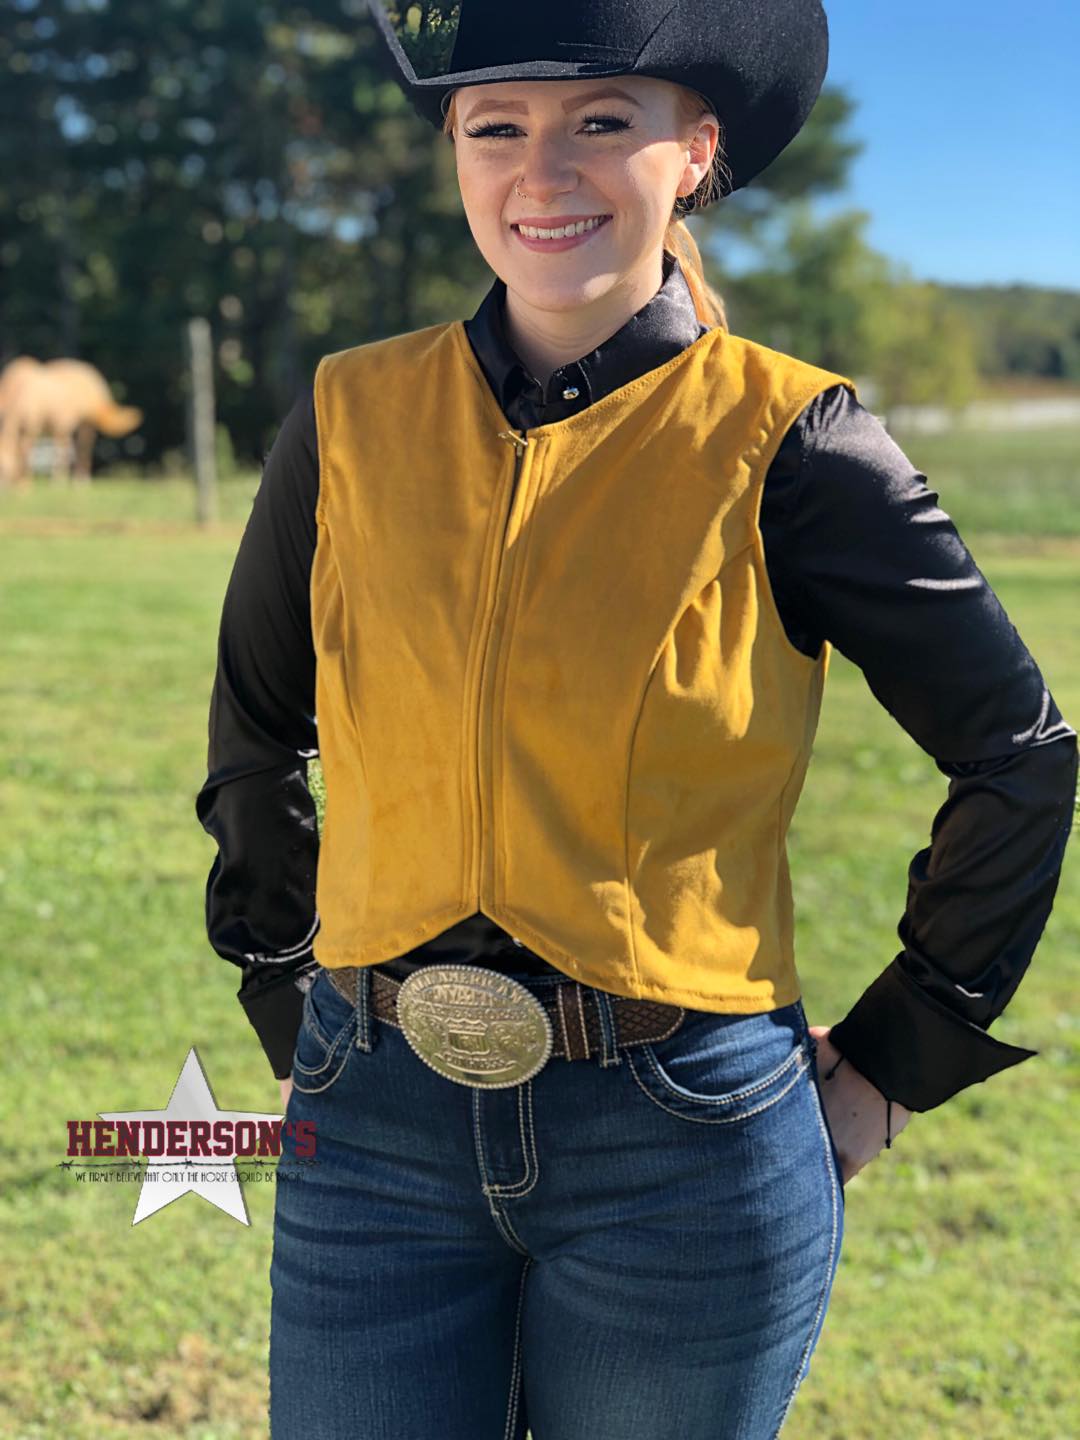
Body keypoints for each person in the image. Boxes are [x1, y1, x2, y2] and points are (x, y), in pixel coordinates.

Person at [194, 3, 1078, 1435]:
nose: (544, 170)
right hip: (373, 1123)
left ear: (695, 153)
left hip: (688, 1144)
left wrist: (900, 1064)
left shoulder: (797, 441)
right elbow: (254, 730)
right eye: (499, 126)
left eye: (604, 119)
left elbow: (1020, 759)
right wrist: (283, 988)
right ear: (456, 156)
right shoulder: (348, 413)